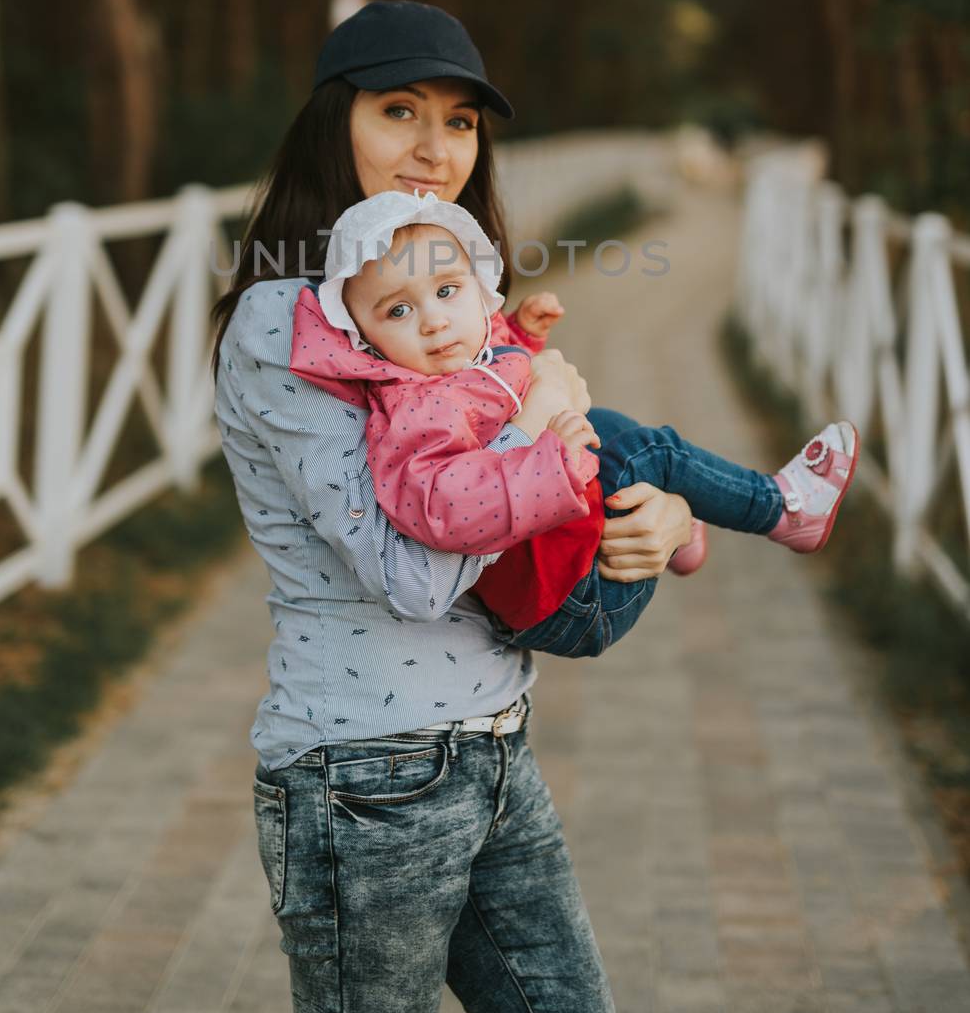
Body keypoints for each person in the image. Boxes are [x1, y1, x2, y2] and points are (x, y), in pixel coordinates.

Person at [214, 0, 695, 1013]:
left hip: (492, 751)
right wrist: (532, 434)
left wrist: (651, 517)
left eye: (463, 122)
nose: (435, 151)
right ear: (331, 124)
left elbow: (539, 491)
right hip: (361, 780)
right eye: (399, 110)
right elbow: (414, 575)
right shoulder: (289, 322)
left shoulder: (442, 296)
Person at [289, 187, 860, 661]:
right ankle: (781, 508)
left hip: (563, 580)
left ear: (477, 289)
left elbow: (494, 390)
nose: (435, 322)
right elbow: (453, 507)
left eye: (446, 291)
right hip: (576, 605)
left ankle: (694, 517)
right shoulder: (413, 414)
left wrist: (523, 335)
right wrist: (546, 448)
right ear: (363, 337)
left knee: (601, 421)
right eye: (399, 311)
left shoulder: (444, 372)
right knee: (647, 452)